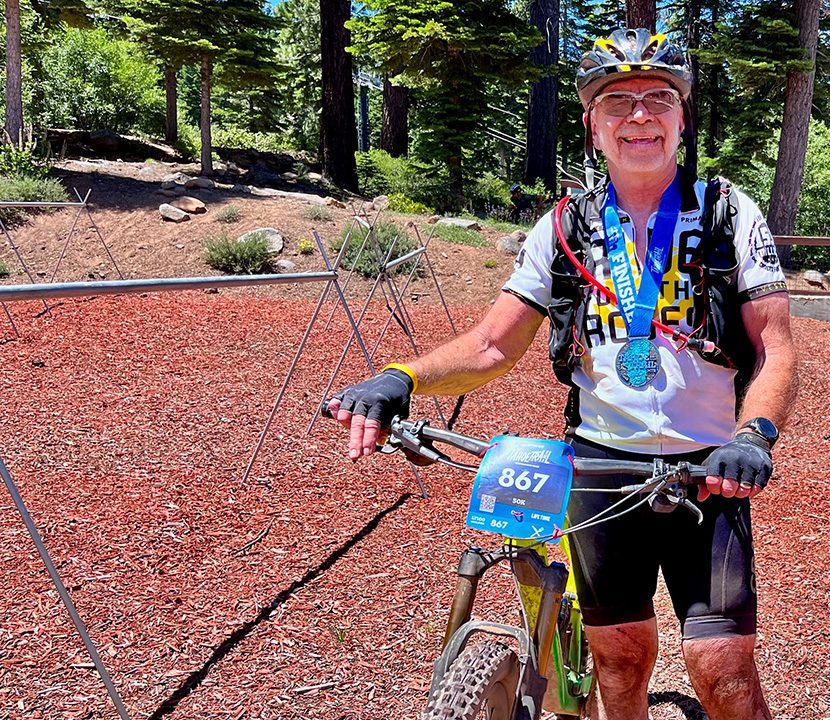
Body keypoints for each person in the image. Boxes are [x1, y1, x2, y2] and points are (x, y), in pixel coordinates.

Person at [328, 27, 796, 720]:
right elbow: (493, 344)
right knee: (620, 662)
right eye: (618, 102)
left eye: (658, 98)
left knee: (722, 670)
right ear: (592, 126)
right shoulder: (565, 227)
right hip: (602, 471)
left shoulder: (729, 214)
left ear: (681, 117)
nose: (639, 115)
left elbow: (777, 347)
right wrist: (401, 377)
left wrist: (754, 436)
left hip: (710, 471)